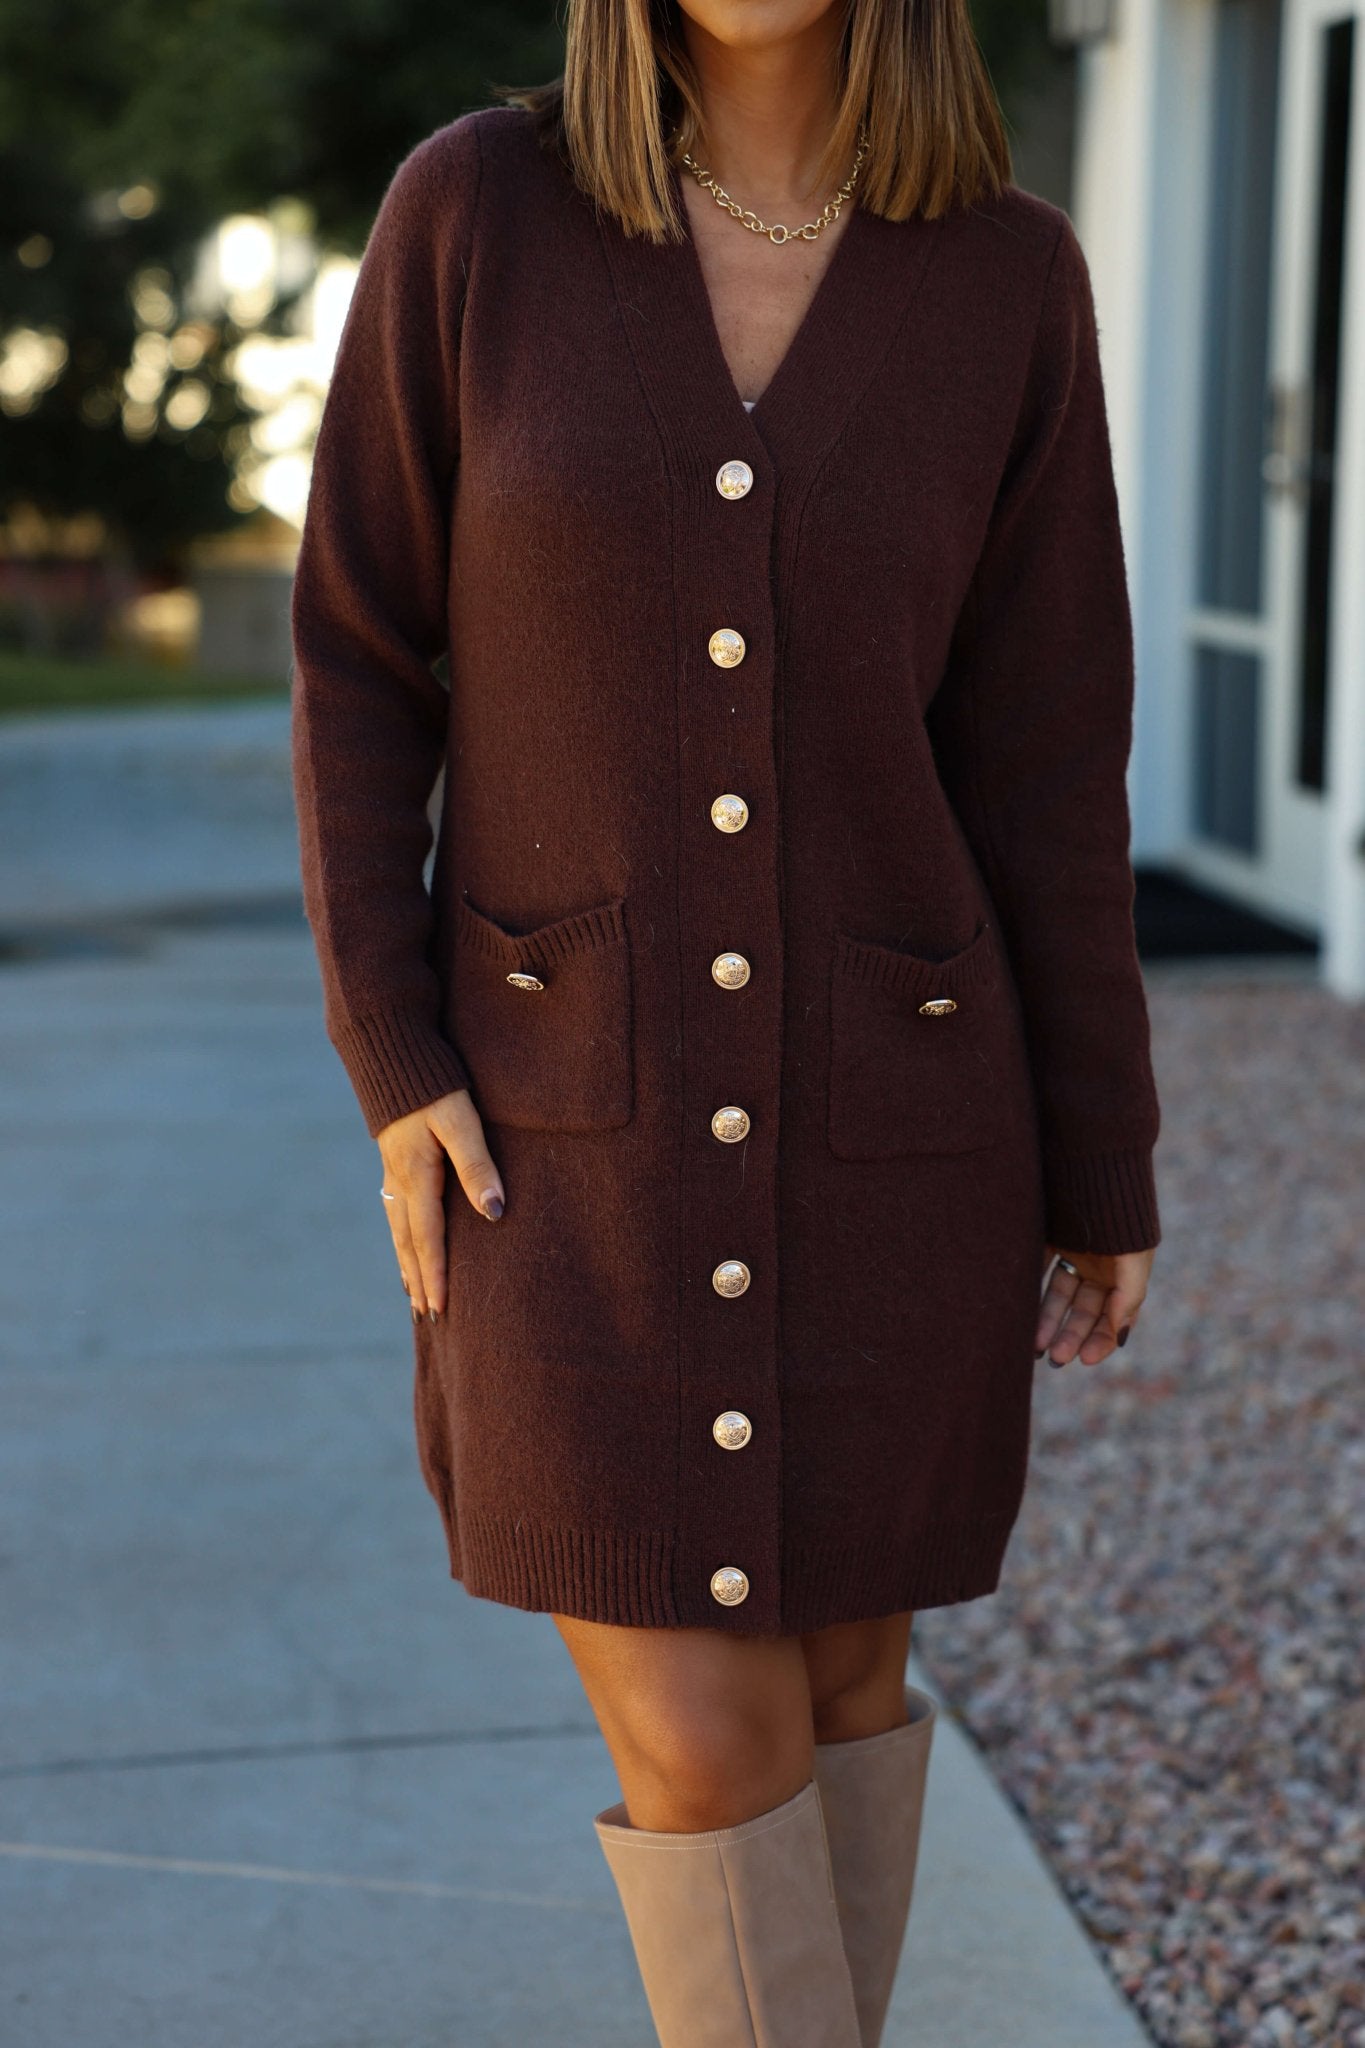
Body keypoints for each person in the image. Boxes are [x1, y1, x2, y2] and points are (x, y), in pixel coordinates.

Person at [289, 0, 1162, 2038]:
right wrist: (392, 1053)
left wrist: (1101, 1144)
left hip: (901, 1133)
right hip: (560, 1146)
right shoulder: (475, 215)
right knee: (702, 1737)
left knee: (847, 1700)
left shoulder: (1004, 278)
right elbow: (354, 657)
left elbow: (1045, 754)